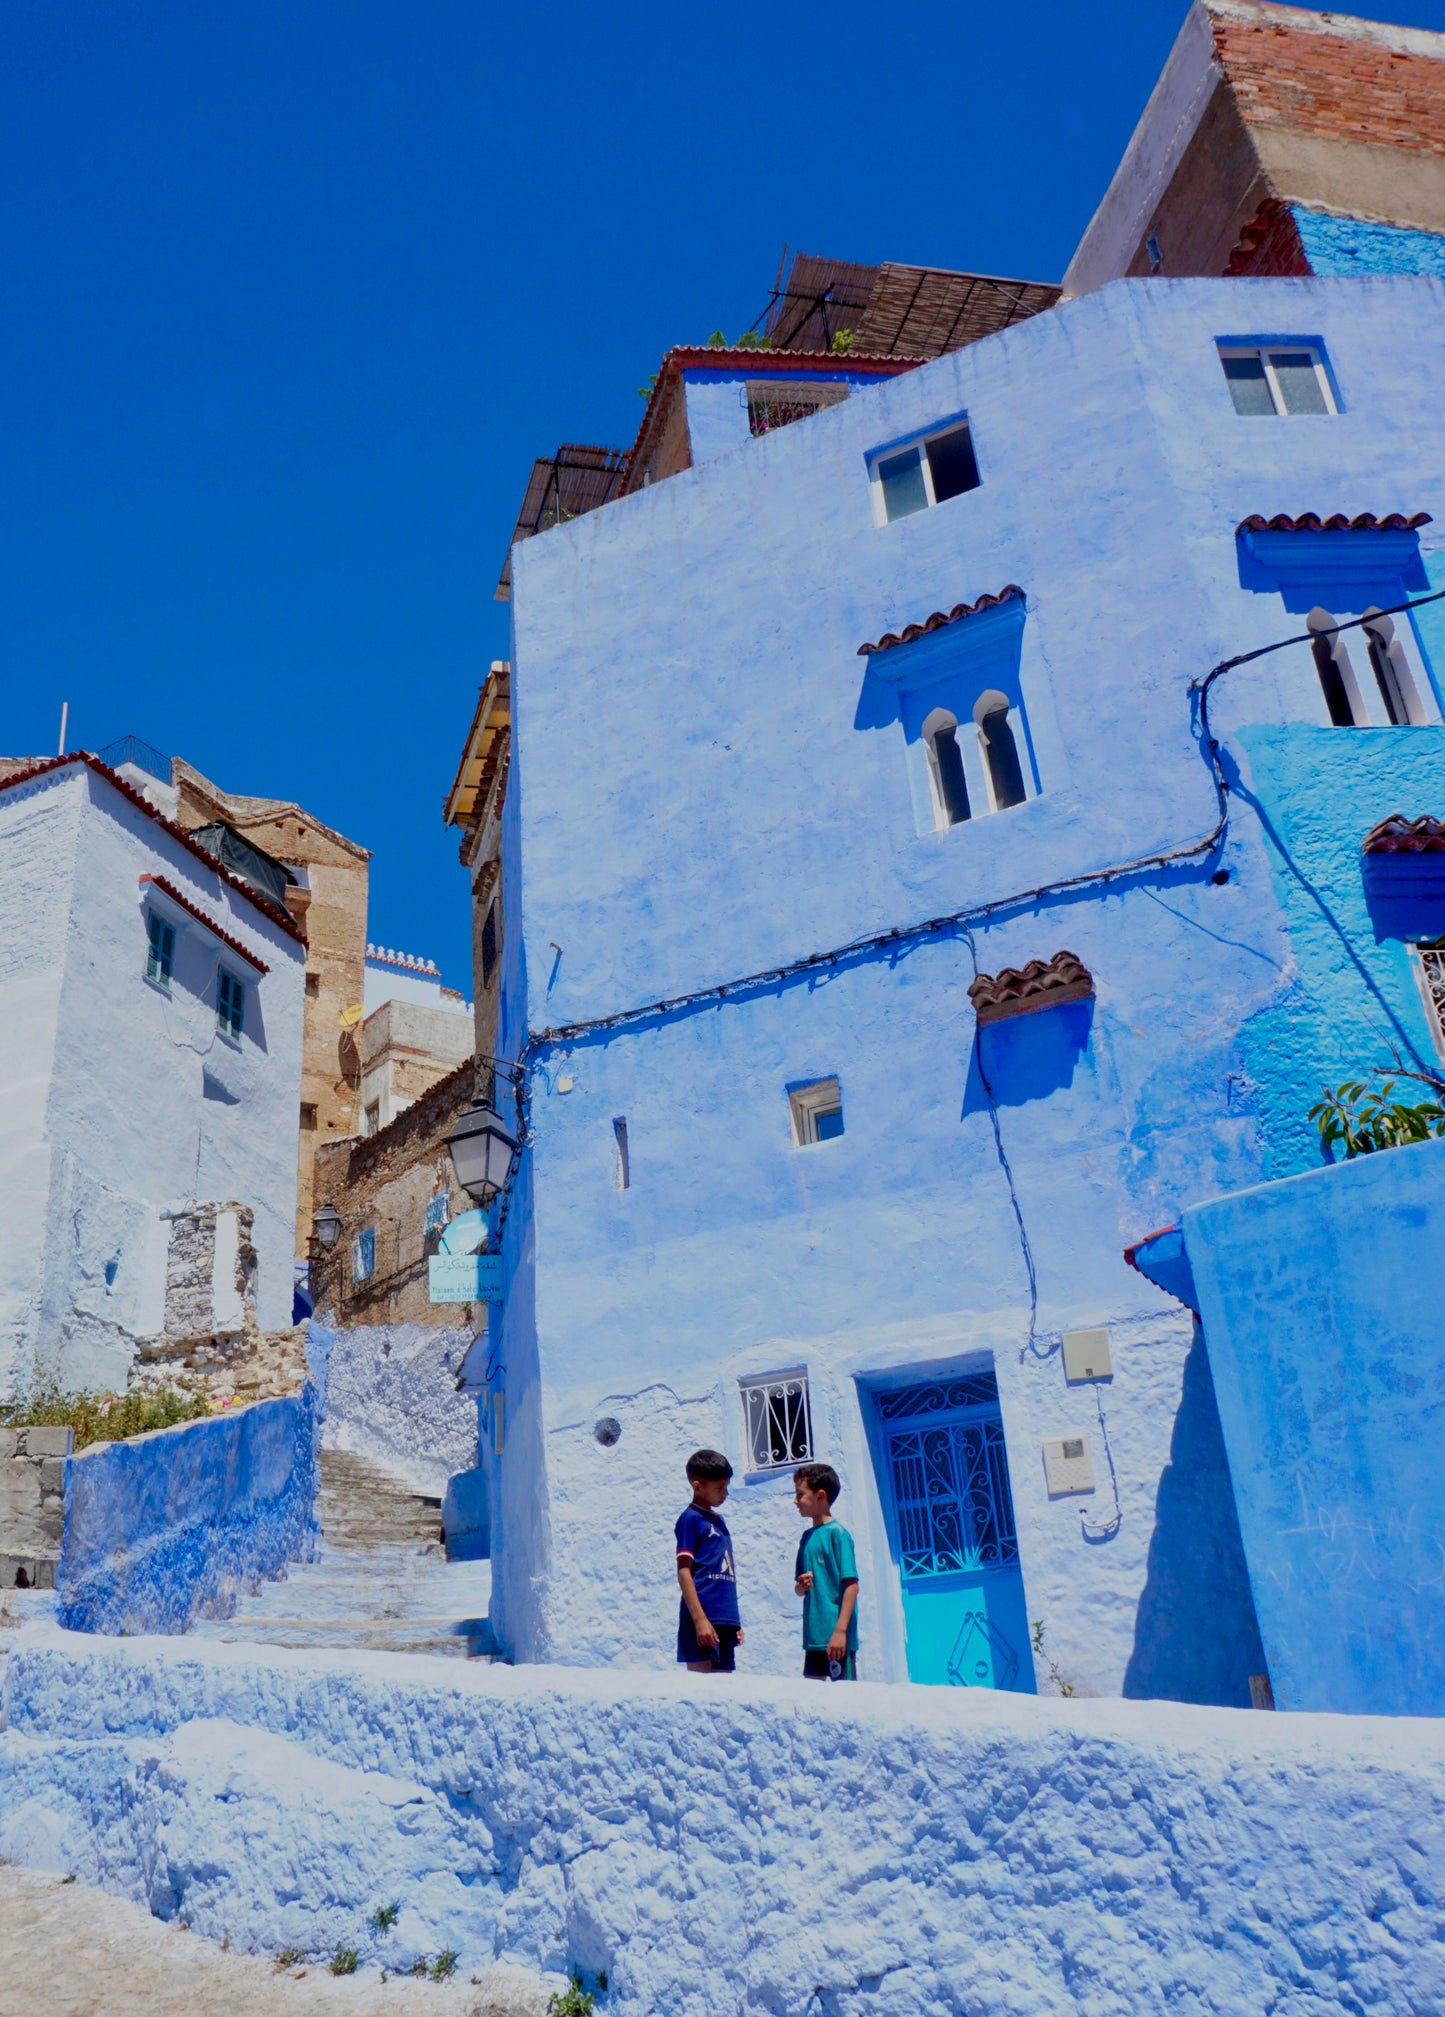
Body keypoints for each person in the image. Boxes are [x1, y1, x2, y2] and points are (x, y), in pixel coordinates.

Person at [675, 1449, 743, 1673]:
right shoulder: (690, 1519)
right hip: (701, 1620)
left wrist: (735, 1622)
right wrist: (699, 1620)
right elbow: (684, 1572)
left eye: (726, 1486)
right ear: (697, 1486)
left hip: (724, 1620)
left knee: (724, 1693)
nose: (725, 1493)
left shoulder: (719, 1522)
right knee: (701, 1692)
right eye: (719, 1488)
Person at [793, 1462, 859, 1679]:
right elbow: (799, 1590)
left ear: (820, 1495)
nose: (796, 1501)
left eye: (800, 1494)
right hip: (814, 1638)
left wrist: (840, 1631)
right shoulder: (806, 1538)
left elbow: (851, 1586)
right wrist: (801, 1587)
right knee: (813, 1701)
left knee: (845, 1701)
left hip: (836, 1639)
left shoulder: (838, 1535)